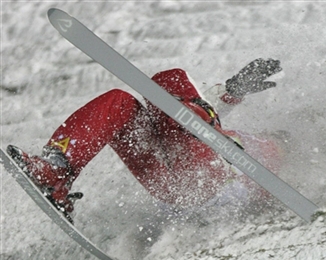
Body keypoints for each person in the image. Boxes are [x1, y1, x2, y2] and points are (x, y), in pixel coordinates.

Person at [8, 58, 283, 217]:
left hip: (209, 183)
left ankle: (178, 104)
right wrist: (233, 91)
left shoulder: (285, 164)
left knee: (170, 79)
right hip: (173, 173)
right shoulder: (243, 139)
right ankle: (56, 171)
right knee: (120, 102)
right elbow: (200, 125)